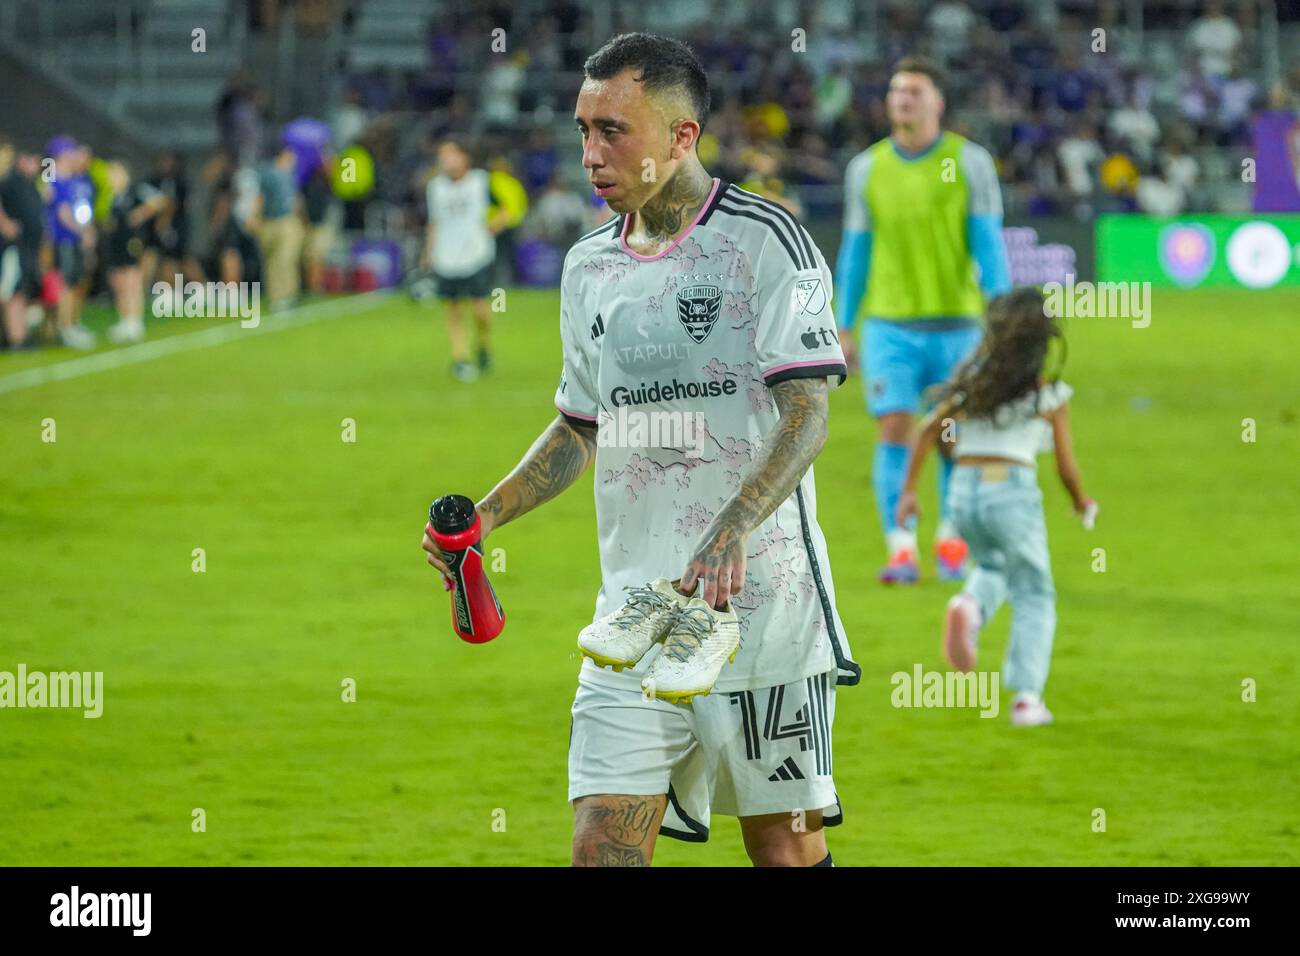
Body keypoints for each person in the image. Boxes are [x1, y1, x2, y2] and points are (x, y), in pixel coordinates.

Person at [421, 32, 858, 867]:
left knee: (782, 855)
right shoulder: (588, 267)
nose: (590, 152)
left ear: (682, 135)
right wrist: (486, 515)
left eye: (612, 129)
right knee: (599, 852)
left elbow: (808, 414)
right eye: (583, 128)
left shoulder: (767, 243)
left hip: (762, 614)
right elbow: (582, 425)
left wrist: (731, 526)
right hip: (633, 619)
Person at [835, 56, 1012, 585]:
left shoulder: (970, 162)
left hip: (958, 325)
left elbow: (988, 244)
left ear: (938, 102)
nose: (902, 100)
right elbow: (855, 253)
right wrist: (844, 326)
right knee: (894, 426)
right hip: (889, 326)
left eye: (914, 92)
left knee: (953, 435)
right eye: (896, 92)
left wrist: (1000, 317)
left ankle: (952, 541)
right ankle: (901, 547)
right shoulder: (867, 169)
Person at [895, 288, 1095, 727]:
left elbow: (930, 430)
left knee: (996, 563)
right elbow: (1065, 466)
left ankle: (969, 605)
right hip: (1012, 490)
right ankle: (1027, 699)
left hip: (963, 492)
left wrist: (909, 492)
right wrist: (1082, 502)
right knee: (1034, 591)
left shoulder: (972, 389)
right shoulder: (1048, 395)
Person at [421, 139, 508, 381]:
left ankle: (483, 344)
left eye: (451, 155)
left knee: (480, 308)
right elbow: (433, 222)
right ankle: (460, 358)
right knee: (453, 308)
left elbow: (503, 210)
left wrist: (491, 228)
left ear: (464, 158)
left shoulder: (480, 182)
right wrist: (428, 253)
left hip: (475, 253)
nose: (447, 161)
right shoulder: (435, 188)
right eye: (443, 156)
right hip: (446, 255)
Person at [102, 161, 168, 343]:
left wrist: (139, 214)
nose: (113, 178)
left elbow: (159, 200)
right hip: (116, 242)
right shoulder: (111, 196)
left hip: (131, 241)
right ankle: (124, 319)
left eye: (116, 174)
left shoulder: (136, 190)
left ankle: (134, 320)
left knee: (132, 279)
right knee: (118, 280)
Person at [45, 137, 99, 350]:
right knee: (66, 284)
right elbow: (62, 212)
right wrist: (83, 231)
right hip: (64, 239)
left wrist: (88, 231)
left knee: (77, 282)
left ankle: (73, 323)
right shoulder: (54, 179)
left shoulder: (78, 179)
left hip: (77, 238)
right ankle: (64, 327)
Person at [0, 142, 46, 349]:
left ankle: (21, 334)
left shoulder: (30, 184)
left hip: (28, 247)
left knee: (22, 290)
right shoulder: (10, 182)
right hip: (12, 247)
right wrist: (6, 225)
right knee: (12, 291)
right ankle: (15, 338)